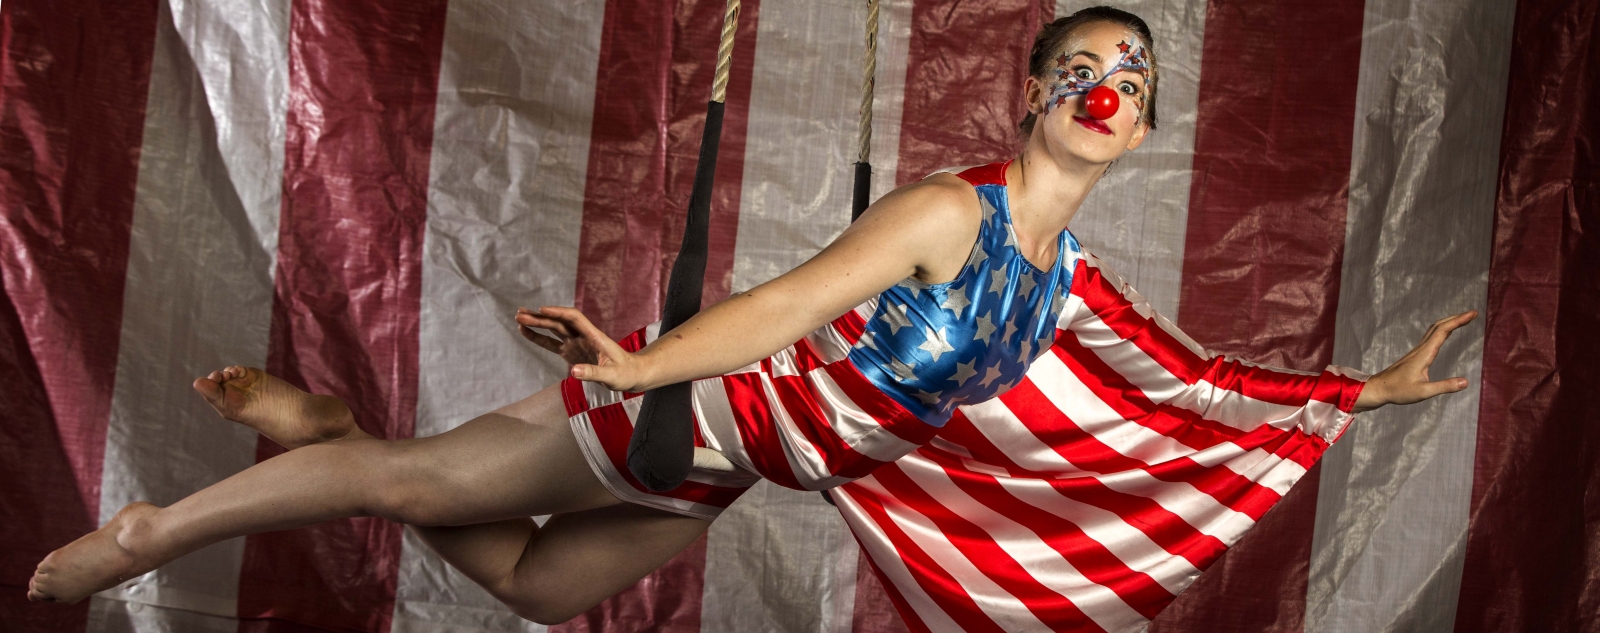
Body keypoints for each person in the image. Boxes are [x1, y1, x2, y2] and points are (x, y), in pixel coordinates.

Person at [28, 6, 1474, 627]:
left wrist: (1370, 395)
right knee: (412, 484)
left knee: (531, 591)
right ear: (1034, 92)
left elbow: (1191, 375)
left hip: (731, 477)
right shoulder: (944, 213)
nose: (1116, 88)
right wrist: (646, 361)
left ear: (1142, 123)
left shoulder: (1066, 281)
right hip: (698, 412)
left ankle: (333, 422)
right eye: (1088, 65)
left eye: (1138, 78)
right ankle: (150, 533)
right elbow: (783, 304)